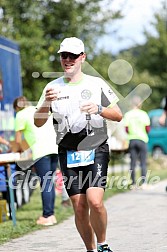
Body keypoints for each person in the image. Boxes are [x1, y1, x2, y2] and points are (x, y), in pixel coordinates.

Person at [34, 37, 122, 252]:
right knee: (79, 206)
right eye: (64, 55)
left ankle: (103, 245)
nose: (68, 60)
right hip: (68, 149)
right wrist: (46, 102)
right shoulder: (51, 87)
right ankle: (90, 249)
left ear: (82, 57)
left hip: (95, 145)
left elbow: (118, 115)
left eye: (73, 56)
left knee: (95, 201)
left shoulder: (96, 83)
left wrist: (99, 109)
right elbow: (37, 122)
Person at [13, 96, 59, 226]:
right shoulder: (37, 110)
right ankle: (51, 215)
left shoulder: (20, 115)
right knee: (49, 181)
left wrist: (23, 154)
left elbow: (18, 140)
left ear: (16, 107)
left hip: (40, 151)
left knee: (45, 182)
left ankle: (47, 215)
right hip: (54, 148)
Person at [124, 96, 150, 187]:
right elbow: (147, 128)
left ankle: (133, 183)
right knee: (143, 162)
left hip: (132, 139)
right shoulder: (144, 114)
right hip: (142, 139)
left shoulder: (128, 114)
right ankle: (144, 182)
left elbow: (126, 129)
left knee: (133, 162)